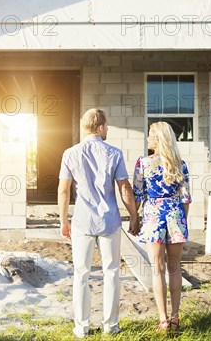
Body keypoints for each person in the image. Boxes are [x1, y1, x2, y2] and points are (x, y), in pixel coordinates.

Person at [58, 108, 139, 338]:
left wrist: (63, 220)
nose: (108, 129)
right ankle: (110, 327)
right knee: (111, 272)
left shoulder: (70, 153)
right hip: (109, 220)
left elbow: (63, 191)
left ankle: (82, 328)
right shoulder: (114, 153)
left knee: (81, 274)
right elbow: (124, 188)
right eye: (107, 126)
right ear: (101, 127)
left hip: (82, 221)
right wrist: (134, 216)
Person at [133, 121, 191, 333]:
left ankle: (163, 320)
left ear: (157, 139)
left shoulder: (143, 163)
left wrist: (134, 218)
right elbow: (185, 198)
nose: (147, 139)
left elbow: (138, 195)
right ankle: (175, 318)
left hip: (153, 216)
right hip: (175, 214)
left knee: (157, 270)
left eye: (150, 135)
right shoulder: (180, 164)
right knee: (175, 268)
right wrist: (180, 222)